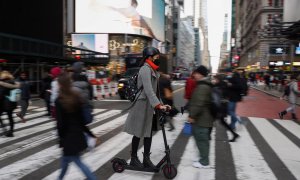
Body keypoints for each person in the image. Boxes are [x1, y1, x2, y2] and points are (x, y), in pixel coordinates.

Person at [124, 47, 171, 169]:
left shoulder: (153, 70)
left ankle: (146, 159)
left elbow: (156, 92)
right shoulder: (145, 69)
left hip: (149, 105)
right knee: (138, 132)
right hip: (142, 105)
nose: (158, 58)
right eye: (156, 56)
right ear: (150, 57)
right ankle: (134, 158)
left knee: (148, 132)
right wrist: (158, 105)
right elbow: (149, 90)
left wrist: (162, 104)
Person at [55, 73, 97, 180]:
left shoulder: (59, 101)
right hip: (78, 135)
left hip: (69, 138)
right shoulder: (76, 97)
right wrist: (90, 133)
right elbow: (81, 121)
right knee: (65, 162)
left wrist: (61, 139)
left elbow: (60, 124)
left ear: (60, 85)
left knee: (77, 162)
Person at [188, 65, 214, 168]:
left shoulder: (203, 87)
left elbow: (199, 103)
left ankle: (204, 162)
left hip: (202, 119)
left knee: (202, 140)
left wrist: (192, 115)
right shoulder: (203, 85)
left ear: (200, 74)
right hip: (203, 118)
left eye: (196, 73)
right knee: (200, 139)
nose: (194, 75)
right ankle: (202, 158)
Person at [213, 74, 240, 142]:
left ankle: (234, 134)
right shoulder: (224, 85)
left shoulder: (220, 86)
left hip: (221, 107)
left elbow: (220, 95)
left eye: (215, 79)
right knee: (221, 121)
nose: (214, 80)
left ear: (218, 79)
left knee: (218, 120)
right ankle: (234, 134)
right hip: (222, 106)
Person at [0, 71, 20, 137]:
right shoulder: (13, 82)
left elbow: (1, 94)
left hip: (4, 103)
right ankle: (11, 131)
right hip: (12, 102)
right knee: (10, 117)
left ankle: (4, 129)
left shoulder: (3, 83)